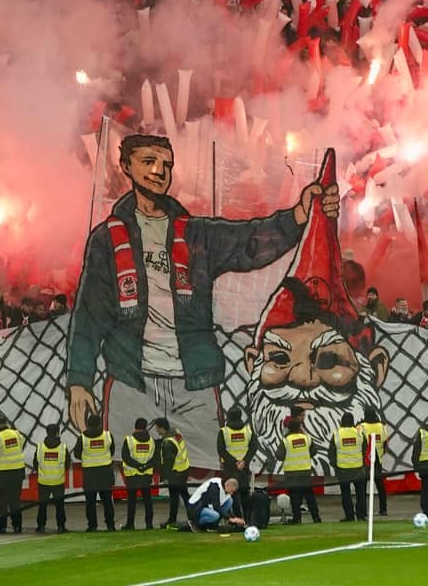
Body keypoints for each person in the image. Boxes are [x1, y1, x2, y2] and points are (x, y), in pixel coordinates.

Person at [65, 134, 326, 456]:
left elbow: (250, 242)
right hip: (130, 380)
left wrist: (299, 214)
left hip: (195, 384)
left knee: (209, 474)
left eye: (167, 165)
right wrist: (79, 381)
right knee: (125, 477)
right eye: (148, 161)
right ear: (125, 167)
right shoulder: (106, 239)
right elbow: (89, 315)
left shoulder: (197, 233)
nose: (159, 171)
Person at [278, 418, 322, 524]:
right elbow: (314, 451)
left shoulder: (286, 440)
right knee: (310, 496)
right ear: (299, 428)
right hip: (305, 471)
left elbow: (279, 456)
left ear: (288, 428)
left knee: (294, 497)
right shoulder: (307, 438)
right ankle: (316, 517)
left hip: (292, 472)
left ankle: (296, 518)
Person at [77, 418, 116, 530]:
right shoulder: (108, 436)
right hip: (105, 472)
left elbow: (76, 453)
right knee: (107, 501)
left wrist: (88, 458)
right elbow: (111, 451)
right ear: (100, 423)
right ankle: (110, 525)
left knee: (90, 502)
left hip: (90, 473)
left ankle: (92, 526)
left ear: (88, 424)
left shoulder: (82, 438)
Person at [0, 413, 27, 533]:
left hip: (1, 474)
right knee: (15, 500)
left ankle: (2, 526)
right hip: (17, 472)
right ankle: (17, 525)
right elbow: (21, 445)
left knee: (1, 502)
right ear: (6, 423)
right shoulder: (16, 434)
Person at [32, 423, 71, 532]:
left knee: (42, 506)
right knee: (59, 506)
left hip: (43, 481)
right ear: (57, 432)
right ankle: (61, 526)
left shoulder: (40, 447)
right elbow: (67, 464)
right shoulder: (63, 447)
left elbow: (35, 463)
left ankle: (41, 526)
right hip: (58, 480)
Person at [154, 415, 191, 528]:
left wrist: (166, 478)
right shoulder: (176, 433)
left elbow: (168, 462)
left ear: (161, 428)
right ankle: (192, 516)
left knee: (174, 497)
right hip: (184, 468)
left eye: (157, 427)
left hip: (175, 472)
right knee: (185, 496)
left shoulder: (167, 443)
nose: (156, 430)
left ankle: (172, 520)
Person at [121, 418, 158, 529]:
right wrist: (144, 466)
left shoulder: (129, 440)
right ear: (146, 427)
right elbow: (155, 458)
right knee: (148, 500)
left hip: (132, 475)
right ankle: (149, 524)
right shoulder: (152, 440)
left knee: (132, 501)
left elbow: (125, 457)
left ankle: (130, 524)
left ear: (135, 427)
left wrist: (137, 466)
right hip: (146, 475)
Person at [331, 412, 367, 521]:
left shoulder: (337, 433)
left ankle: (349, 516)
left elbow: (331, 452)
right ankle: (361, 516)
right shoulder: (359, 432)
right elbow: (366, 449)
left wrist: (336, 466)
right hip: (359, 468)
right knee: (361, 494)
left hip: (343, 469)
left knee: (346, 494)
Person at [218, 410, 255, 517]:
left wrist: (235, 463)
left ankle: (237, 518)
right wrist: (244, 461)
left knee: (232, 493)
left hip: (230, 467)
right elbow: (253, 447)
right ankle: (248, 519)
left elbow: (221, 450)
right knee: (245, 493)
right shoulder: (248, 430)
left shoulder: (223, 431)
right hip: (244, 467)